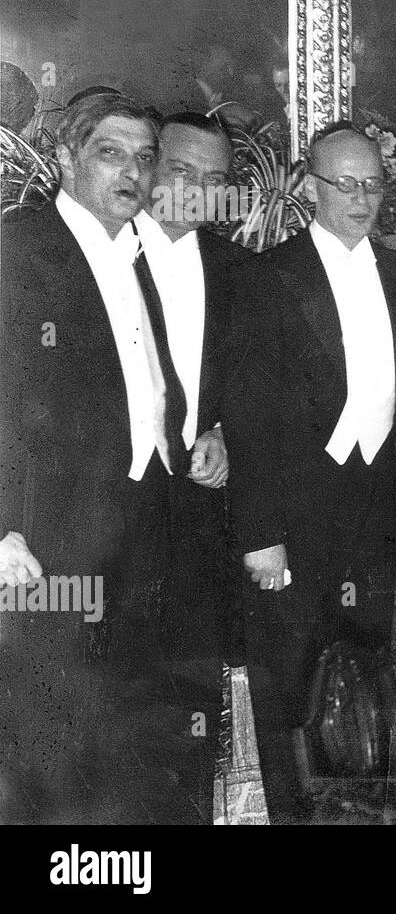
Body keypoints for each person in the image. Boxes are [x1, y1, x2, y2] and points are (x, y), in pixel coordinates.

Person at [0, 92, 195, 820]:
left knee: (122, 725)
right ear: (64, 161)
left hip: (140, 521)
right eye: (111, 153)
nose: (133, 172)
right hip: (53, 538)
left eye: (144, 158)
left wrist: (185, 439)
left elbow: (140, 377)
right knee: (47, 730)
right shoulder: (19, 248)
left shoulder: (131, 249)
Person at [222, 122, 396, 822]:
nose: (362, 198)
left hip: (372, 509)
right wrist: (261, 535)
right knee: (292, 683)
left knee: (360, 675)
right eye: (346, 184)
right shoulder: (268, 277)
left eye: (373, 184)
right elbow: (245, 415)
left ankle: (358, 814)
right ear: (310, 187)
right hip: (293, 514)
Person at [134, 111, 250, 820]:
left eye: (212, 181)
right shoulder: (106, 257)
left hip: (203, 522)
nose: (194, 192)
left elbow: (254, 389)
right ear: (150, 168)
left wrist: (226, 433)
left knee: (194, 703)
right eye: (179, 171)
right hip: (116, 524)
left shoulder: (238, 271)